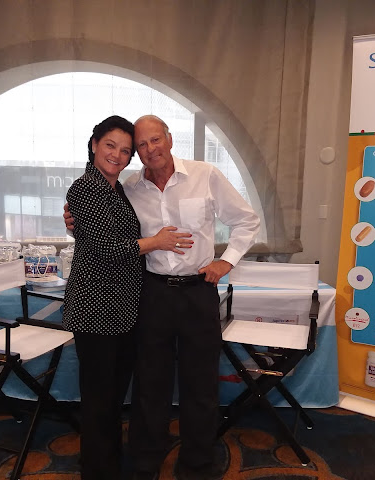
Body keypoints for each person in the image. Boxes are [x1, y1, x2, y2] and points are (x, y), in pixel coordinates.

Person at [64, 115, 260, 480]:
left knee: (200, 385)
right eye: (140, 145)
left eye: (155, 140)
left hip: (198, 292)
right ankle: (144, 463)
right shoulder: (130, 186)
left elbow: (246, 220)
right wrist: (73, 221)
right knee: (150, 386)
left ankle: (197, 466)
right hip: (151, 293)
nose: (149, 149)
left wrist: (226, 261)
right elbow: (103, 228)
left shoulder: (205, 175)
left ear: (169, 139)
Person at [62, 115, 192, 480]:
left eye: (125, 150)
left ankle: (106, 464)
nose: (117, 155)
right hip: (95, 309)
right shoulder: (86, 188)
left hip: (121, 309)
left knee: (112, 397)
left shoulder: (118, 188)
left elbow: (98, 233)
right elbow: (107, 248)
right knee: (99, 400)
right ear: (94, 145)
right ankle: (97, 470)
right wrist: (157, 242)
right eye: (110, 146)